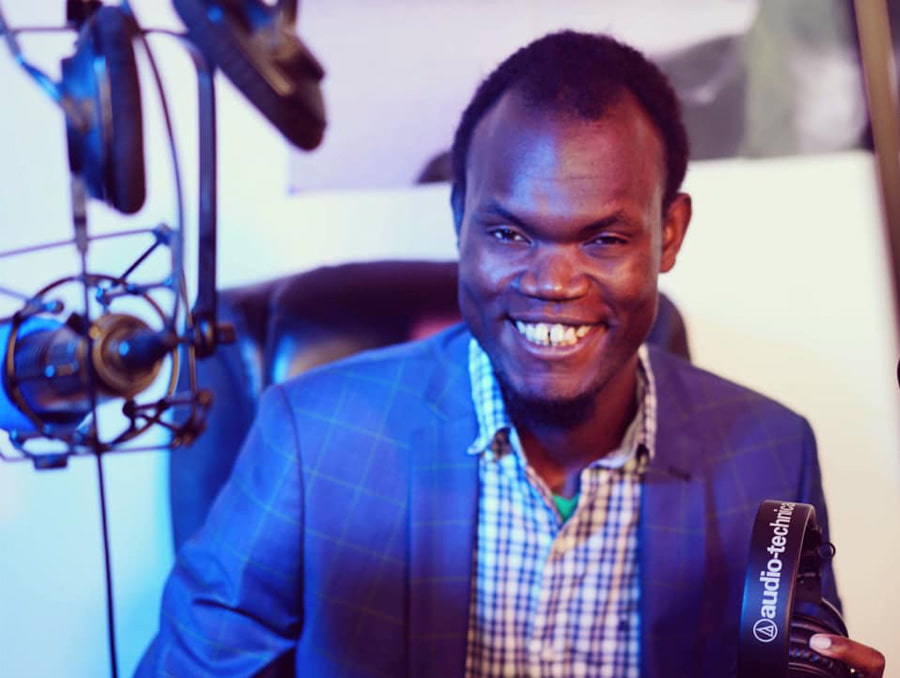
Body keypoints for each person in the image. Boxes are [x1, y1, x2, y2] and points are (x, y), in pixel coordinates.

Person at [136, 31, 885, 678]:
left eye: (605, 238)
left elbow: (793, 658)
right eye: (510, 234)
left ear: (670, 234)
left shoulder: (770, 451)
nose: (553, 283)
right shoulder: (314, 437)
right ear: (459, 218)